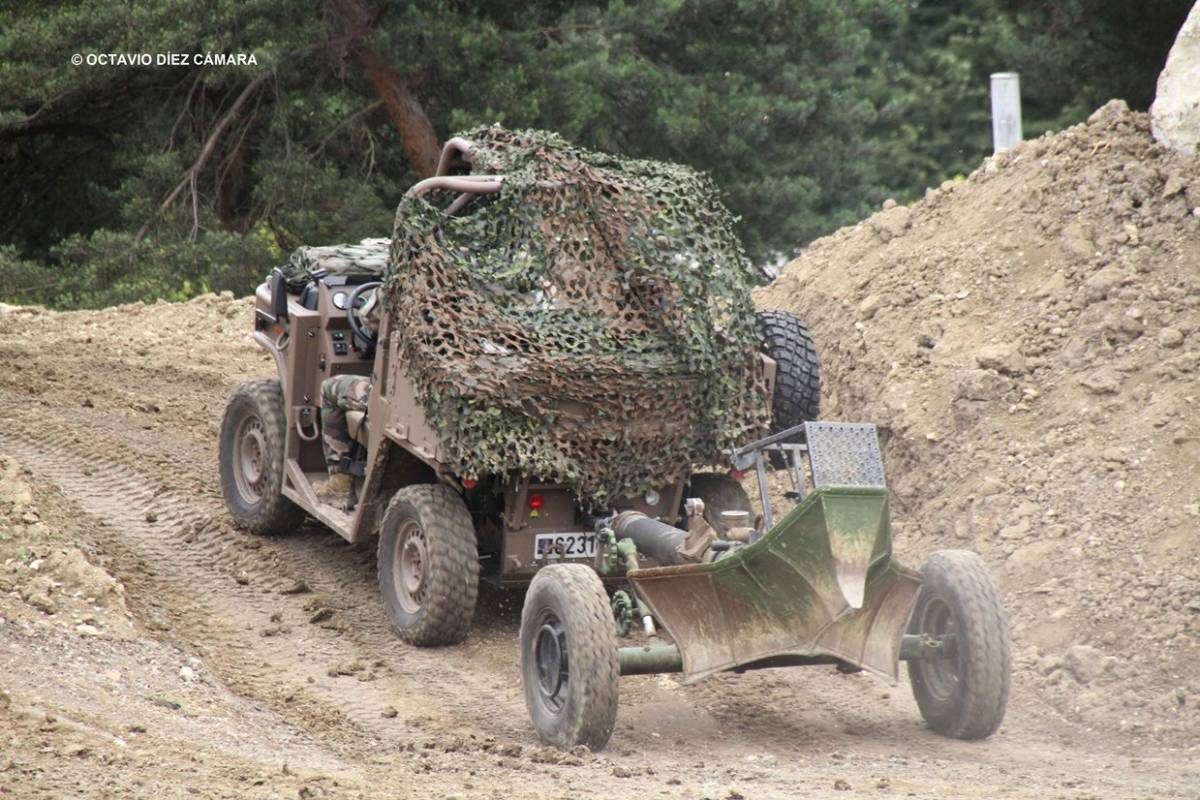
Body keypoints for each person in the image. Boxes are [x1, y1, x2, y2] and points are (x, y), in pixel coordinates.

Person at [314, 288, 381, 508]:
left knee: (330, 388)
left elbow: (369, 317)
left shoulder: (403, 286)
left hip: (401, 399)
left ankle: (340, 485)